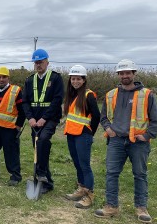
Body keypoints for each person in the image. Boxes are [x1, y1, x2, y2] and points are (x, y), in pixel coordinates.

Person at [94, 59, 157, 223]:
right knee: (111, 174)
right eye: (122, 73)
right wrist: (108, 129)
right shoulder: (111, 95)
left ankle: (141, 207)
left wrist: (146, 136)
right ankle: (111, 206)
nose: (125, 75)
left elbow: (156, 119)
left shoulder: (146, 94)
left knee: (140, 174)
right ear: (118, 74)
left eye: (128, 73)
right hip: (116, 141)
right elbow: (103, 117)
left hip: (139, 143)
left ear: (134, 74)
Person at [22, 49, 64, 194]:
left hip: (50, 118)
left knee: (43, 141)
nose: (38, 65)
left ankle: (40, 173)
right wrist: (31, 118)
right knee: (38, 148)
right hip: (34, 121)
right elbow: (25, 102)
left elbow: (57, 100)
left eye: (41, 62)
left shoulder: (56, 78)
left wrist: (44, 118)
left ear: (47, 62)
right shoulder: (29, 80)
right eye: (36, 62)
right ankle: (47, 182)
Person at [63, 65, 100, 209]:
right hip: (71, 134)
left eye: (78, 79)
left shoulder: (88, 94)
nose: (75, 81)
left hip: (83, 134)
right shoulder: (72, 94)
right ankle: (81, 189)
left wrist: (91, 132)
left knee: (85, 166)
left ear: (84, 80)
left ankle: (89, 195)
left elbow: (96, 115)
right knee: (77, 163)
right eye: (73, 79)